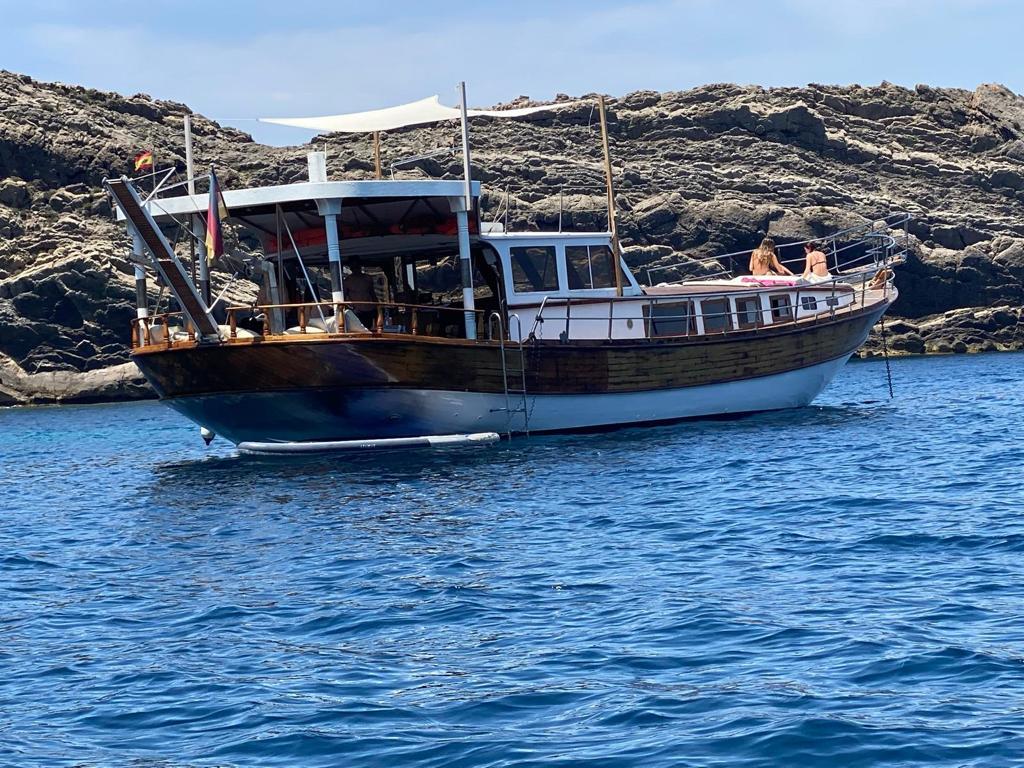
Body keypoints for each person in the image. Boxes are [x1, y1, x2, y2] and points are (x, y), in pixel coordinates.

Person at [343, 260, 379, 328]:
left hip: (369, 308)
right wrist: (349, 307)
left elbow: (372, 292)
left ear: (360, 267)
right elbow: (344, 296)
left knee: (368, 327)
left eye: (357, 267)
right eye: (354, 267)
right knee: (358, 328)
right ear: (351, 268)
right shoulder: (347, 281)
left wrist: (377, 306)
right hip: (356, 310)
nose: (356, 269)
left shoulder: (368, 278)